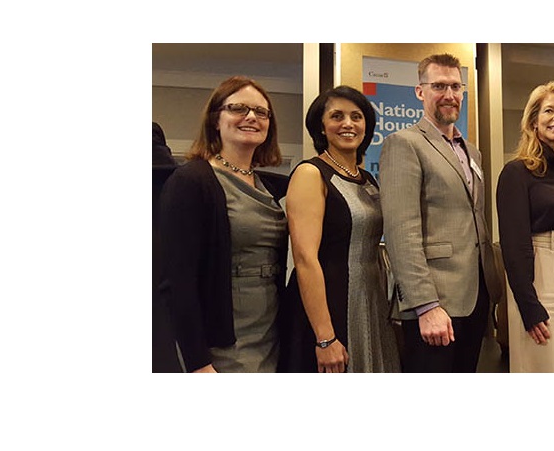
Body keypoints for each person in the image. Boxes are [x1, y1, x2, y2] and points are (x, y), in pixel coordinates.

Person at [157, 75, 289, 373]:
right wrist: (198, 363)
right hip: (222, 341)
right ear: (216, 119)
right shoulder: (192, 181)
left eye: (261, 112)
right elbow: (177, 282)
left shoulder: (271, 186)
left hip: (271, 331)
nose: (251, 117)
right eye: (238, 108)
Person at [380, 53, 502, 373]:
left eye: (455, 87)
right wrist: (425, 305)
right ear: (420, 92)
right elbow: (401, 230)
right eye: (439, 86)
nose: (449, 95)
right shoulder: (404, 144)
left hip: (476, 295)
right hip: (436, 302)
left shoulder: (471, 151)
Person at [285, 85, 400, 373]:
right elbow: (304, 259)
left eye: (356, 116)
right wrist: (325, 338)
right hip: (332, 306)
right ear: (321, 127)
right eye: (337, 116)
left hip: (371, 303)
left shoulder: (368, 179)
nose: (348, 124)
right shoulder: (310, 174)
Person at [496, 81, 554, 373]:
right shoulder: (517, 171)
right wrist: (527, 304)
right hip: (541, 271)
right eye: (549, 110)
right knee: (541, 365)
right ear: (533, 121)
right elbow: (513, 244)